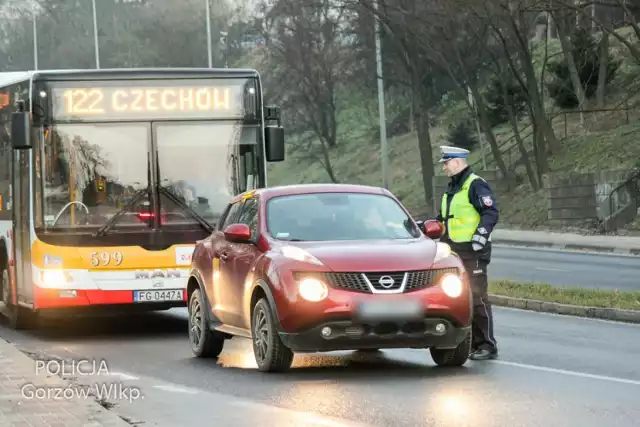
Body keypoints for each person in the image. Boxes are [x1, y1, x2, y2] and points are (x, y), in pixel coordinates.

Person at [433, 145, 499, 361]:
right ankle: (469, 344)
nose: (444, 168)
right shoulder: (453, 188)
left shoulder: (475, 184)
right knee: (458, 298)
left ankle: (487, 345)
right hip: (454, 251)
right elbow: (445, 218)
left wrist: (481, 234)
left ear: (458, 162)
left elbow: (490, 212)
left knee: (477, 296)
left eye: (446, 163)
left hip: (473, 251)